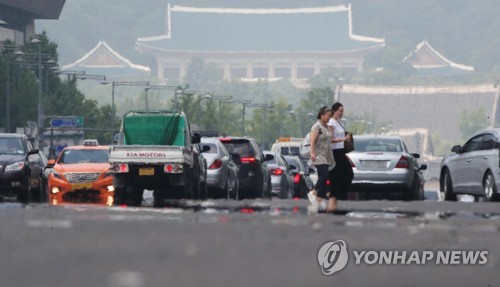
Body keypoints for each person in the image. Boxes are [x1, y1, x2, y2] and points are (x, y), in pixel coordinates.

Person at [327, 102, 354, 212]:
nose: (341, 113)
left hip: (341, 152)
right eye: (340, 111)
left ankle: (334, 195)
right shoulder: (331, 123)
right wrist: (343, 139)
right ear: (334, 111)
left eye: (342, 111)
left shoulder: (339, 122)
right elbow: (330, 139)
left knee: (348, 175)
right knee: (337, 178)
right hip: (335, 152)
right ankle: (332, 200)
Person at [307, 106, 335, 212]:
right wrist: (312, 153)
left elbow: (330, 140)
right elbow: (312, 141)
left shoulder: (326, 127)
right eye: (328, 115)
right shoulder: (317, 127)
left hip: (326, 156)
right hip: (318, 155)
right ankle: (313, 192)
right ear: (322, 115)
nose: (329, 117)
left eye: (330, 116)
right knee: (324, 175)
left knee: (324, 177)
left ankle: (318, 199)